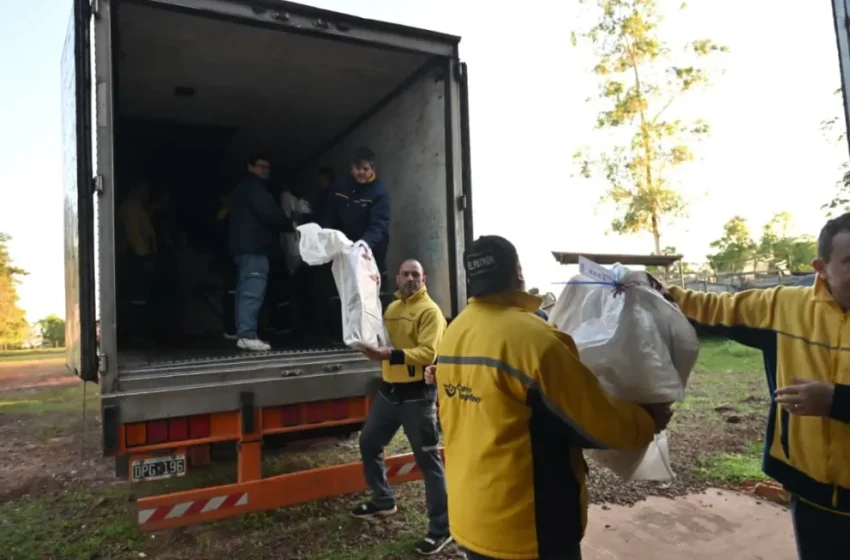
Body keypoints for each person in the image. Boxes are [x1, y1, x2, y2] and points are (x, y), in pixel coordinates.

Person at [426, 235, 672, 560]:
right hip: (527, 531)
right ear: (517, 271)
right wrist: (648, 421)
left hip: (471, 520)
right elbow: (596, 423)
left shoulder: (454, 332)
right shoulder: (536, 342)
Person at [662, 213, 850, 560]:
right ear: (821, 268)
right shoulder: (784, 307)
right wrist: (653, 291)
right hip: (810, 493)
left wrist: (837, 401)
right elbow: (712, 309)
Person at [353, 259, 451, 556]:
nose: (410, 278)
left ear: (424, 279)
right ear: (397, 278)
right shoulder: (392, 309)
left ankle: (441, 529)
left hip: (417, 396)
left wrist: (387, 354)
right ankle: (383, 500)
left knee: (429, 462)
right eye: (405, 274)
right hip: (389, 392)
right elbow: (380, 340)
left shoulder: (430, 312)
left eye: (415, 274)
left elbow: (427, 353)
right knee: (369, 442)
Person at [228, 156, 294, 351]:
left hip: (243, 248)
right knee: (252, 291)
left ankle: (243, 331)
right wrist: (289, 224)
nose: (265, 170)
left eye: (268, 167)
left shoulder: (243, 189)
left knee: (244, 290)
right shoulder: (254, 187)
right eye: (261, 166)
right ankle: (247, 334)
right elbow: (269, 212)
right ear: (250, 167)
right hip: (254, 248)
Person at [318, 147, 390, 274]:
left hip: (370, 251)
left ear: (373, 169)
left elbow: (379, 225)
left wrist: (364, 243)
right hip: (343, 250)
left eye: (365, 169)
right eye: (357, 168)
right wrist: (328, 235)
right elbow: (329, 214)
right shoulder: (339, 187)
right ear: (351, 168)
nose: (361, 172)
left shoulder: (379, 193)